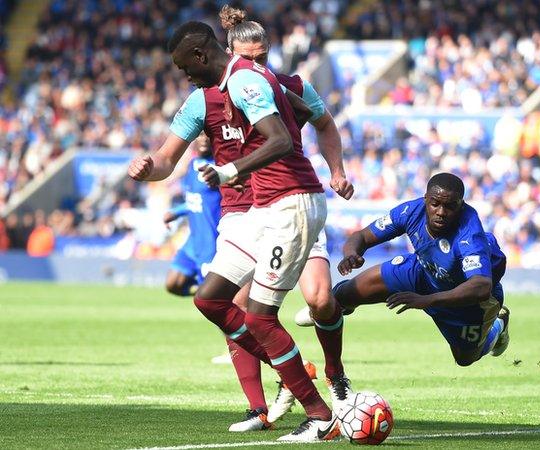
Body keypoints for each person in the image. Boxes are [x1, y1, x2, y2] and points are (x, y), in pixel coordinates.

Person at [128, 21, 338, 442]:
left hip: (292, 203)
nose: (184, 74)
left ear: (201, 57)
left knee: (262, 315)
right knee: (211, 299)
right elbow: (168, 158)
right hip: (259, 208)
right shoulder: (201, 99)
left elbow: (280, 140)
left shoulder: (245, 79)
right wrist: (151, 169)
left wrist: (229, 170)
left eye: (184, 65)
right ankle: (292, 371)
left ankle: (320, 415)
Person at [216, 5, 353, 433]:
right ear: (230, 53)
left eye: (263, 57)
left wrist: (337, 171)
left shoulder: (291, 85)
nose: (256, 64)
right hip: (259, 213)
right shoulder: (221, 91)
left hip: (295, 206)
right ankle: (285, 381)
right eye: (248, 58)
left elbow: (325, 124)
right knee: (235, 307)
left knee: (319, 300)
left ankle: (335, 376)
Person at [332, 173, 510, 366]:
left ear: (461, 205)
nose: (441, 212)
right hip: (422, 272)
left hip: (465, 301)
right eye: (435, 204)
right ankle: (325, 310)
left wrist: (427, 300)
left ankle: (498, 326)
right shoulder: (410, 210)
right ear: (426, 199)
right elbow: (362, 236)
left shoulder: (470, 234)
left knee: (465, 359)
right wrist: (351, 253)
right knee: (345, 294)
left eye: (450, 206)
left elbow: (481, 286)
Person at [164, 136, 221, 296]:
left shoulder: (219, 168)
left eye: (208, 135)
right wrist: (176, 212)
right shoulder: (192, 165)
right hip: (193, 240)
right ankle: (202, 291)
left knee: (209, 298)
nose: (204, 139)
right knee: (173, 284)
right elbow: (195, 200)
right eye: (200, 135)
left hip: (211, 241)